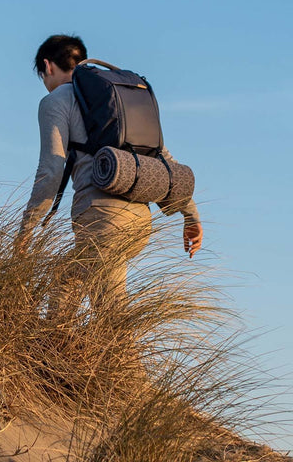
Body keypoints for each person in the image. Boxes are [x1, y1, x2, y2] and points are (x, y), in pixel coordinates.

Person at [16, 34, 203, 317]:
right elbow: (163, 158)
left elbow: (51, 170)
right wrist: (191, 216)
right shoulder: (116, 101)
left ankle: (122, 360)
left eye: (42, 76)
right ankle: (53, 348)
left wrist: (26, 231)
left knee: (112, 321)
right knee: (65, 279)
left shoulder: (55, 101)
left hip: (101, 220)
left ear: (48, 66)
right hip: (140, 219)